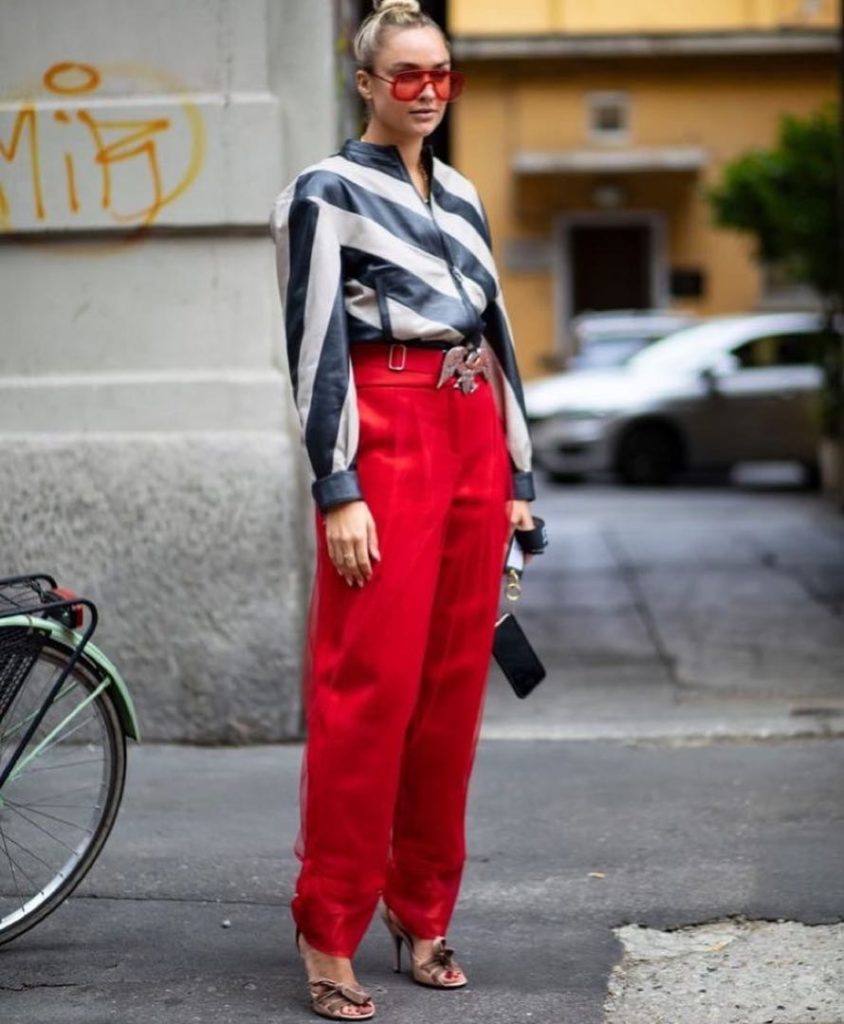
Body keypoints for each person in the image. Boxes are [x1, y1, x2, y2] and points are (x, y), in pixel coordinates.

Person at [270, 1, 536, 1018]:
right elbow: (313, 349)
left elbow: (497, 334)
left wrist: (518, 478)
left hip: (471, 434)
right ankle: (327, 923)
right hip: (384, 436)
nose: (428, 92)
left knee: (450, 696)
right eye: (408, 75)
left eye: (442, 75)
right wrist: (336, 486)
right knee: (368, 690)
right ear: (367, 84)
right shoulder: (324, 192)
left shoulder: (462, 195)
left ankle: (421, 907)